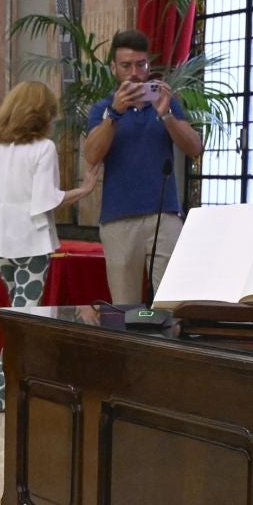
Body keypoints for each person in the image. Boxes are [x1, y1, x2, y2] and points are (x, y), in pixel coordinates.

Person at [0, 81, 97, 412]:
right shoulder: (43, 148)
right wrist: (84, 190)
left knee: (18, 313)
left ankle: (16, 386)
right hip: (32, 241)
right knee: (22, 316)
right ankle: (2, 391)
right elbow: (45, 200)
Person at [81, 27, 201, 304]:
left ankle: (168, 348)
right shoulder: (103, 109)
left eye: (141, 65)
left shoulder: (166, 104)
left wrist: (167, 115)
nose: (134, 73)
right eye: (126, 66)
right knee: (125, 307)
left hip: (165, 215)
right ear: (114, 68)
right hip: (119, 219)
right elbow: (91, 156)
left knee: (172, 303)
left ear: (148, 66)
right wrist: (115, 114)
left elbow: (194, 148)